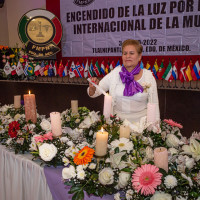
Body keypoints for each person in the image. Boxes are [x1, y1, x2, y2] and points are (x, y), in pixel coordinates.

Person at [88, 39, 160, 123]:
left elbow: (155, 104)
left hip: (141, 126)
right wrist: (93, 87)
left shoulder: (148, 76)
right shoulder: (115, 73)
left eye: (131, 53)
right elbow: (95, 92)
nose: (127, 56)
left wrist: (155, 128)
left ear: (139, 56)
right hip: (117, 125)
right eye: (125, 53)